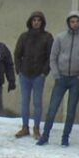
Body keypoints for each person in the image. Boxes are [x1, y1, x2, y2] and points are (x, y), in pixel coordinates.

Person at [37, 11, 79, 147]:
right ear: (68, 23)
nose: (74, 24)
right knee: (52, 109)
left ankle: (65, 137)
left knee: (71, 110)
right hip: (61, 78)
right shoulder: (60, 37)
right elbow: (53, 57)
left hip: (76, 79)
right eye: (72, 21)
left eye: (77, 21)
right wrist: (56, 74)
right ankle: (45, 136)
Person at [13, 11, 53, 139]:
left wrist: (44, 72)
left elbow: (50, 56)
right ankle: (25, 127)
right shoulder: (24, 37)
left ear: (42, 22)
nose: (36, 22)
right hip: (25, 74)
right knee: (25, 102)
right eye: (34, 20)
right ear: (30, 22)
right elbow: (17, 54)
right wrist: (18, 69)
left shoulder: (47, 37)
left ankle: (36, 128)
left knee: (37, 102)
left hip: (38, 75)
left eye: (38, 20)